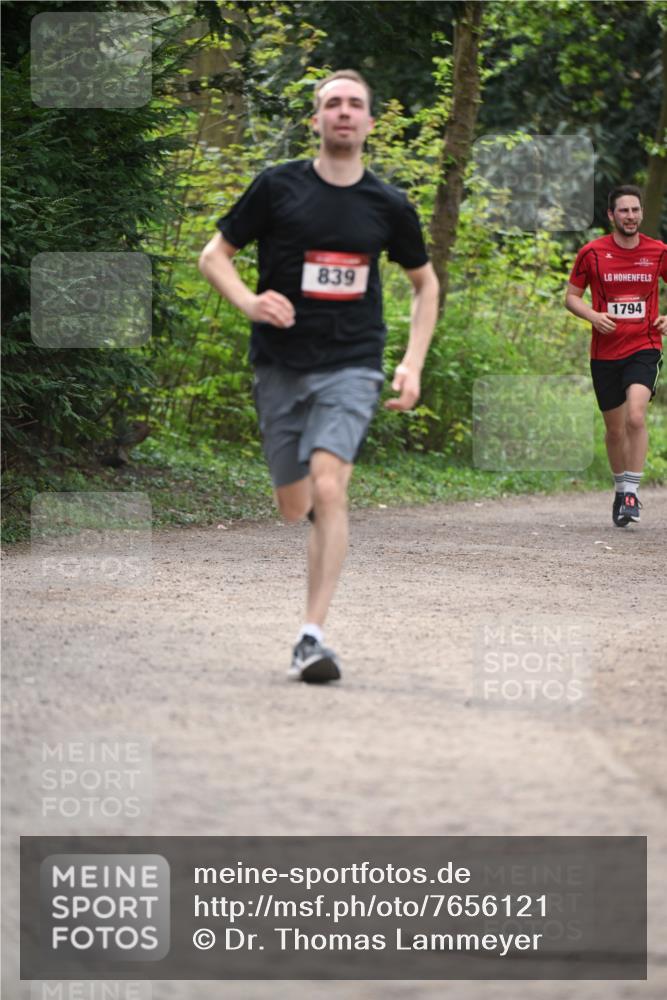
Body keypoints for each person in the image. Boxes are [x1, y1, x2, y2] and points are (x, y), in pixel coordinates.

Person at [198, 69, 439, 682]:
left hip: (353, 363)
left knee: (330, 489)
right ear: (316, 120)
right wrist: (249, 302)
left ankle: (311, 638)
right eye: (333, 103)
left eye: (355, 104)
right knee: (294, 504)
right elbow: (214, 256)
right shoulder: (276, 187)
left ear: (370, 123)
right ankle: (312, 517)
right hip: (280, 364)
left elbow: (425, 284)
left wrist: (411, 361)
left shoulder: (389, 205)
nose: (344, 112)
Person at [565, 184, 666, 526]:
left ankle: (632, 493)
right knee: (615, 431)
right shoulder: (592, 253)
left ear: (642, 213)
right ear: (611, 215)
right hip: (605, 353)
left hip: (645, 346)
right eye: (624, 210)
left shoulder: (658, 252)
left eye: (635, 210)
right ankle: (621, 490)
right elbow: (572, 297)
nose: (630, 216)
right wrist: (593, 316)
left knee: (635, 417)